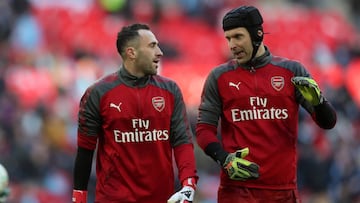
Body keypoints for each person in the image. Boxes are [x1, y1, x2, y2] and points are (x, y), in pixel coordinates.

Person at [195, 5, 337, 203]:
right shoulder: (219, 77)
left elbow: (328, 122)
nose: (232, 45)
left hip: (282, 192)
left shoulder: (292, 71)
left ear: (257, 34)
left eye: (238, 36)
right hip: (237, 192)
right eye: (228, 38)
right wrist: (224, 158)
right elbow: (203, 130)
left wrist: (319, 103)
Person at [72, 23, 198, 203]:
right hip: (114, 199)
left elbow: (182, 142)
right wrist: (79, 196)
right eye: (152, 46)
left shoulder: (170, 90)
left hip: (161, 198)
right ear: (131, 53)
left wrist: (188, 184)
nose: (160, 52)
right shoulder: (98, 94)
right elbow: (85, 150)